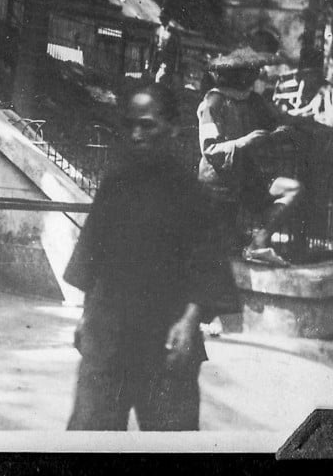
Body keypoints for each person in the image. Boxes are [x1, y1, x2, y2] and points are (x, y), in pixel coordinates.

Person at [64, 84, 238, 431]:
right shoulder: (115, 184)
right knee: (88, 436)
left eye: (147, 125)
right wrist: (86, 316)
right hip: (108, 336)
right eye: (131, 126)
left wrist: (190, 321)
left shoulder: (191, 194)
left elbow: (209, 265)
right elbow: (93, 255)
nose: (137, 134)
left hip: (166, 341)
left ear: (172, 127)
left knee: (170, 440)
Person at [197, 47, 302, 266]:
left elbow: (276, 121)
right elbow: (210, 149)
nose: (256, 74)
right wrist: (245, 142)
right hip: (219, 182)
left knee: (292, 189)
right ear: (236, 73)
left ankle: (259, 244)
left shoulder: (254, 100)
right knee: (217, 252)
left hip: (247, 176)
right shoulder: (213, 102)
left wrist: (282, 130)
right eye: (250, 70)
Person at [147, 11, 183, 88]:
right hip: (156, 59)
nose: (163, 21)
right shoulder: (156, 31)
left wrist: (176, 67)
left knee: (165, 81)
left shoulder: (174, 33)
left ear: (168, 20)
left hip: (168, 60)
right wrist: (148, 62)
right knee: (152, 78)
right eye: (161, 18)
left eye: (165, 19)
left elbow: (178, 51)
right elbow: (151, 47)